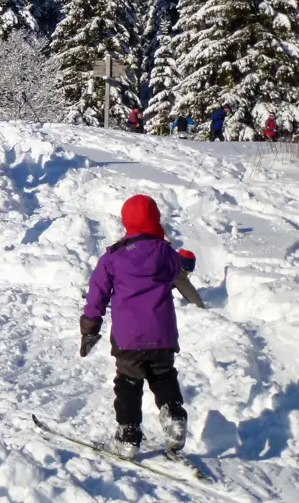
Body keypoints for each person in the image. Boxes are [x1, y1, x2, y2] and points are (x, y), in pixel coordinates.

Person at [79, 195, 195, 460]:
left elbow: (96, 296)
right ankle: (174, 415)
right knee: (163, 376)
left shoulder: (112, 258)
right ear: (155, 220)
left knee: (129, 383)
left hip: (128, 339)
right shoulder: (165, 253)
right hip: (162, 336)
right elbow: (184, 264)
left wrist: (90, 328)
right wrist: (187, 258)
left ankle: (128, 436)